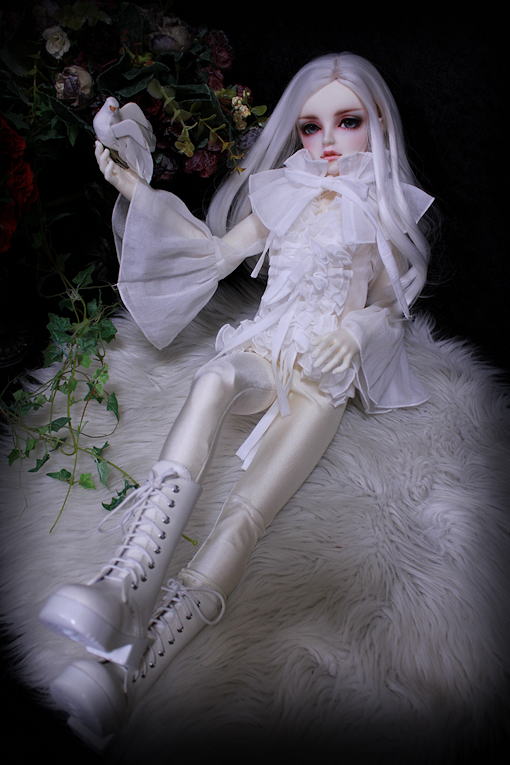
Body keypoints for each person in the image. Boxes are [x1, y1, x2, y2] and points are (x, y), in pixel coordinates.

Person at [38, 51, 434, 747]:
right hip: (263, 348)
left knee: (247, 515)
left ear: (377, 124)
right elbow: (217, 252)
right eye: (311, 127)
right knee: (214, 378)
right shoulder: (284, 190)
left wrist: (356, 331)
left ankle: (129, 675)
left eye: (347, 122)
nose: (328, 140)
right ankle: (125, 585)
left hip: (319, 381)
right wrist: (139, 191)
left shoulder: (382, 208)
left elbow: (391, 306)